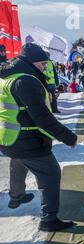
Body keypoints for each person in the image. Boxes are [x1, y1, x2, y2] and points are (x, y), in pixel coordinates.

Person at [0, 43, 77, 232]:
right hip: (26, 138)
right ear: (32, 63)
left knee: (19, 162)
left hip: (9, 137)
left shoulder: (8, 77)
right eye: (42, 64)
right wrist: (68, 137)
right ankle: (49, 219)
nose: (44, 68)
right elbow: (42, 117)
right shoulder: (26, 81)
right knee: (50, 174)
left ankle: (16, 196)